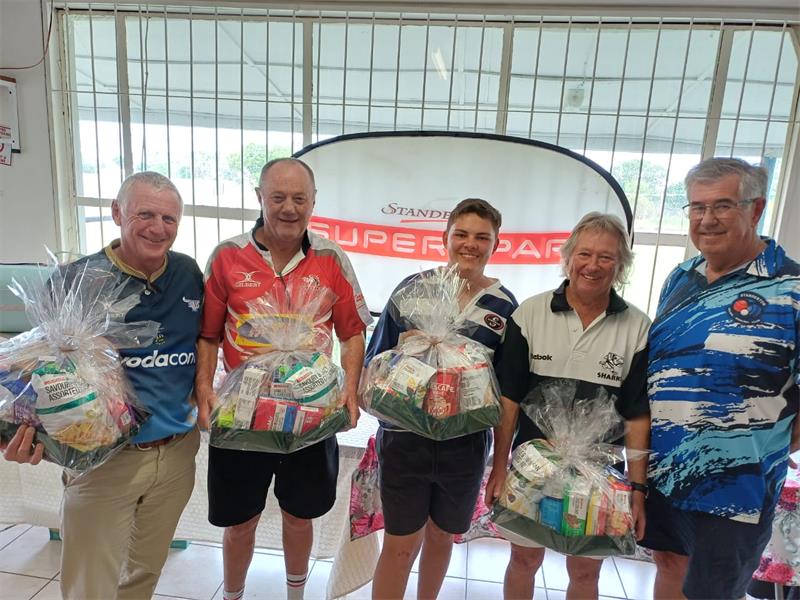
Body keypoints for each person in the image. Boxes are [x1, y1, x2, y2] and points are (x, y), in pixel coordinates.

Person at [2, 171, 203, 600]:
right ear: (116, 213)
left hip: (176, 453)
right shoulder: (78, 281)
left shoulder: (187, 273)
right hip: (103, 464)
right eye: (144, 214)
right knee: (91, 585)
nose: (157, 227)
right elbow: (35, 376)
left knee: (144, 575)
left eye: (169, 218)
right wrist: (20, 436)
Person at [195, 157, 372, 600]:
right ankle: (232, 595)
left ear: (314, 203)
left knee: (300, 514)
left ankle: (296, 594)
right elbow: (207, 335)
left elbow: (352, 332)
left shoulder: (331, 259)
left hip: (310, 411)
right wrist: (203, 391)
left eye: (299, 198)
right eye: (278, 197)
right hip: (242, 412)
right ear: (259, 198)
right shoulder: (227, 256)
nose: (289, 208)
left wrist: (350, 391)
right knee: (240, 520)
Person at [641, 157, 800, 599]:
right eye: (696, 207)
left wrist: (768, 445)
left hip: (738, 486)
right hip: (668, 469)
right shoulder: (681, 277)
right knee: (669, 564)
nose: (707, 220)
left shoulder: (791, 288)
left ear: (756, 208)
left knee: (712, 590)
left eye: (722, 206)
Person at [485, 212, 651, 600]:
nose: (593, 266)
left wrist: (637, 490)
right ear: (568, 257)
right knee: (524, 561)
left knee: (585, 572)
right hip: (531, 470)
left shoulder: (637, 327)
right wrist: (498, 467)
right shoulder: (529, 314)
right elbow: (509, 401)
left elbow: (638, 416)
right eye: (585, 254)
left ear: (622, 264)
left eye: (606, 257)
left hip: (602, 478)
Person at [366, 198, 518, 600]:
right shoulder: (412, 289)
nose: (470, 244)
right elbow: (375, 363)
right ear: (445, 238)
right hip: (404, 440)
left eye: (482, 237)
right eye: (462, 234)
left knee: (442, 536)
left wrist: (499, 462)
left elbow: (505, 394)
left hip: (464, 447)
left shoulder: (505, 307)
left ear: (495, 244)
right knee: (400, 542)